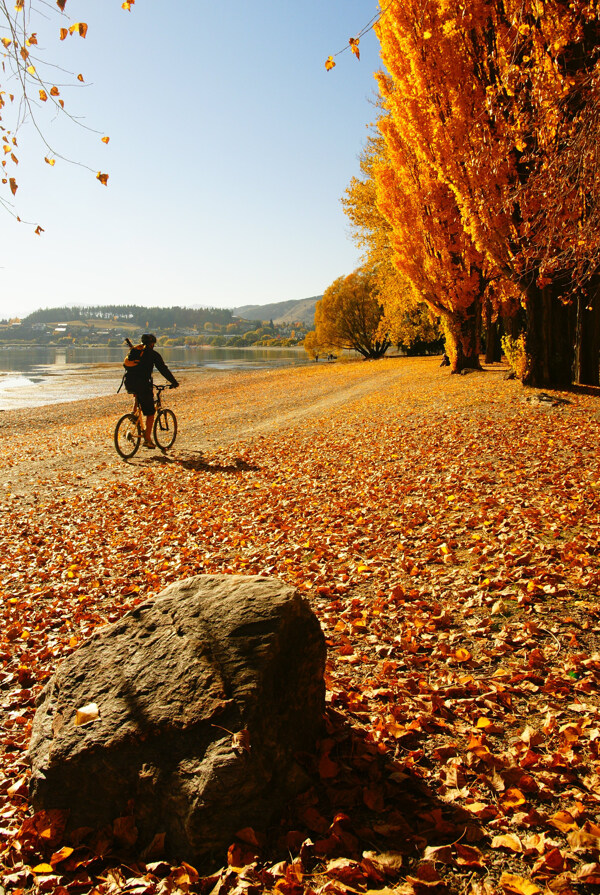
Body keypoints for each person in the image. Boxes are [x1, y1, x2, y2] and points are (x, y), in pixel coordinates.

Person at [126, 334, 179, 448]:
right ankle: (148, 439)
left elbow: (127, 365)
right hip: (143, 385)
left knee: (138, 394)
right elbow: (163, 369)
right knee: (150, 413)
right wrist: (174, 382)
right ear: (152, 344)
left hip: (129, 383)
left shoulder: (135, 351)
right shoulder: (153, 354)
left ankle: (133, 413)